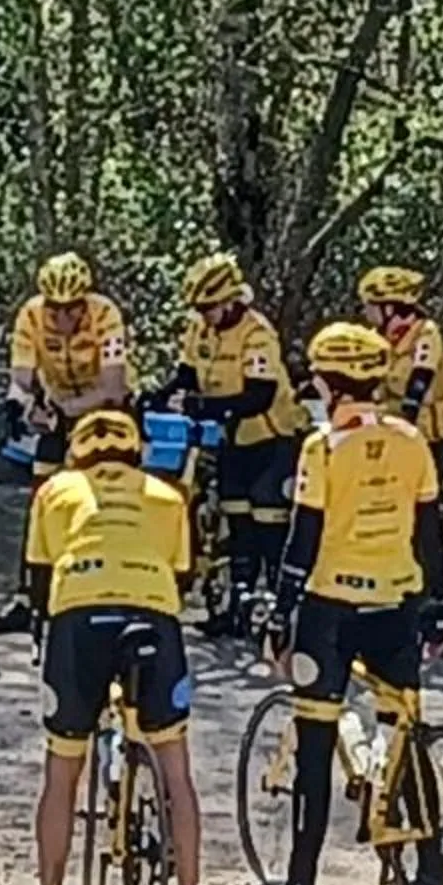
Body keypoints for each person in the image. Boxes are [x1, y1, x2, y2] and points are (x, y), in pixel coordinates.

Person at [248, 321, 443, 885]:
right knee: (405, 731)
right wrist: (437, 603)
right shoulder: (412, 439)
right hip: (397, 604)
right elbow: (431, 532)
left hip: (330, 609)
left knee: (316, 744)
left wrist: (279, 610)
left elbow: (302, 539)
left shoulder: (322, 447)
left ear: (329, 383)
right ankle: (434, 869)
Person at [19, 409, 211, 885]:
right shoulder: (168, 494)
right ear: (136, 452)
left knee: (62, 773)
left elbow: (37, 576)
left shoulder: (56, 490)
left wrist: (44, 635)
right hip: (152, 616)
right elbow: (184, 574)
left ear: (78, 453)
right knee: (176, 770)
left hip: (79, 621)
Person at [0, 253, 131, 630]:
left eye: (72, 310)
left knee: (103, 498)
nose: (63, 320)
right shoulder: (31, 315)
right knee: (43, 497)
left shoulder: (106, 314)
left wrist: (67, 408)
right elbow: (21, 378)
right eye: (55, 310)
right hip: (57, 406)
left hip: (103, 410)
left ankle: (111, 586)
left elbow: (113, 386)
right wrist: (19, 405)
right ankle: (31, 594)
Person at [167, 253, 305, 621]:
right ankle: (235, 605)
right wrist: (163, 394)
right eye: (199, 308)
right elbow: (187, 373)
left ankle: (280, 607)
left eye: (209, 307)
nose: (203, 315)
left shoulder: (257, 333)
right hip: (232, 440)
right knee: (235, 518)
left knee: (268, 519)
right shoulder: (201, 328)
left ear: (230, 301)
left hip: (271, 437)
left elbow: (258, 395)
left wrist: (204, 406)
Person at [359, 266, 443, 490]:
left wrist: (411, 406)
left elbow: (422, 373)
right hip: (397, 432)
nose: (365, 311)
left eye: (370, 305)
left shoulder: (425, 331)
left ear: (390, 308)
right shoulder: (376, 339)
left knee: (440, 491)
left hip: (437, 434)